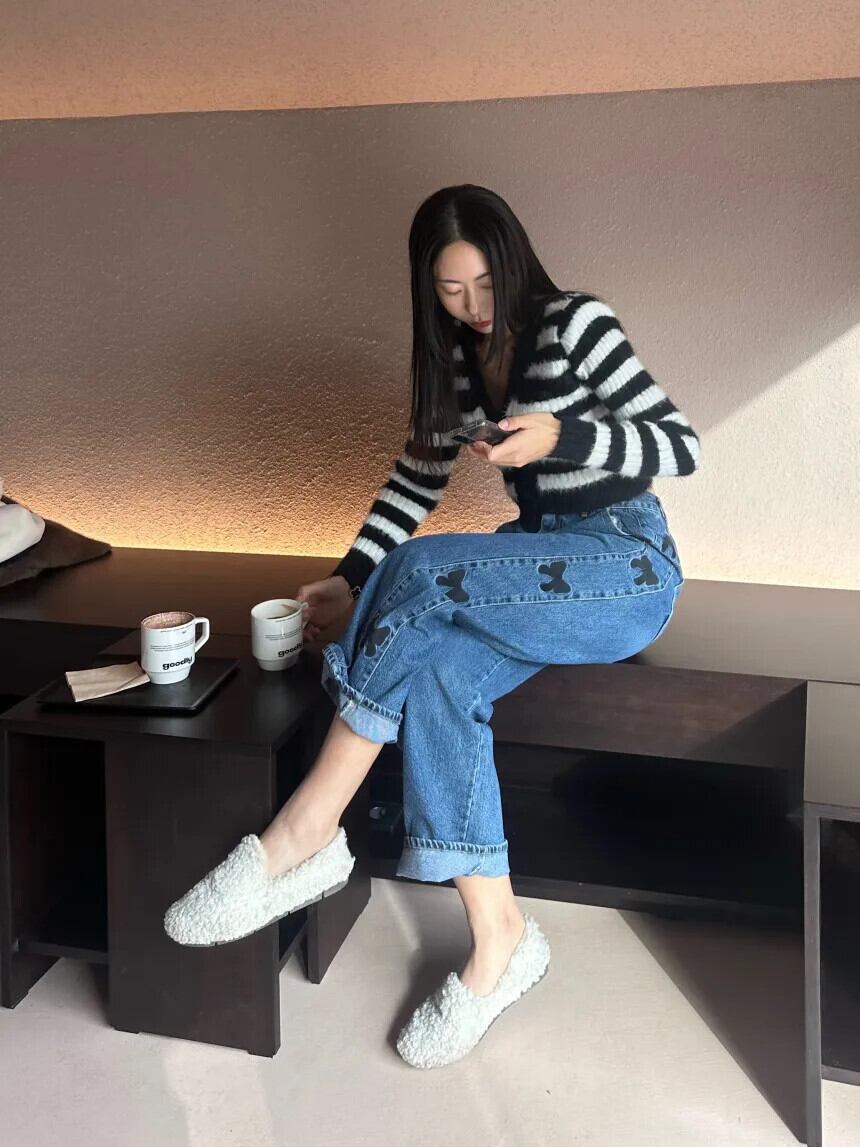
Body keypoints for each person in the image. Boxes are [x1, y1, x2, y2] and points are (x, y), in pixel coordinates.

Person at [164, 184, 700, 1068]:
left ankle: (303, 834)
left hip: (626, 564)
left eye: (485, 284)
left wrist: (559, 436)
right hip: (540, 558)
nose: (474, 307)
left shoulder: (577, 324)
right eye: (451, 292)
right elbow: (417, 478)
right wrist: (348, 576)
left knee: (420, 574)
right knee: (441, 671)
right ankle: (501, 939)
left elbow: (680, 444)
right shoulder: (460, 359)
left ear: (513, 263)